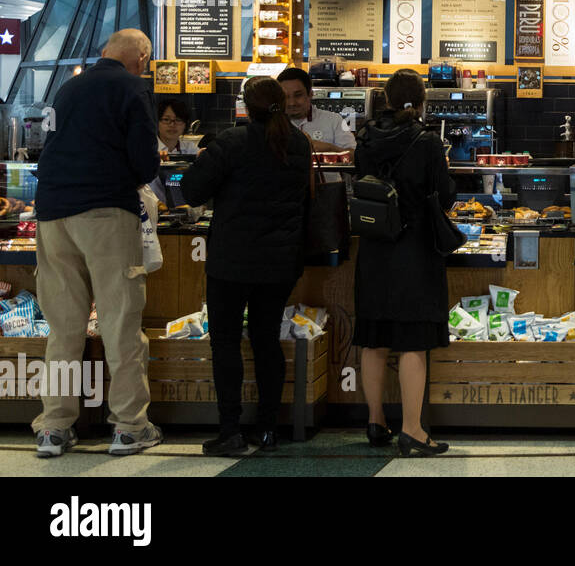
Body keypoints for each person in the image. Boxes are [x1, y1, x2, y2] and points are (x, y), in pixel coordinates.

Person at [31, 28, 162, 457]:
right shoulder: (133, 87)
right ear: (141, 59)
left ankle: (54, 427)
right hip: (105, 212)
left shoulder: (70, 86)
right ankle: (129, 426)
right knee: (119, 321)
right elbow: (144, 160)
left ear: (104, 52)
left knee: (64, 327)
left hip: (51, 211)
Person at [181, 77, 311, 456]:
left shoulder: (232, 142)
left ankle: (230, 431)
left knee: (225, 342)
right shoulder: (299, 143)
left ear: (245, 106)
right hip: (280, 261)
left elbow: (191, 190)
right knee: (266, 339)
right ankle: (268, 429)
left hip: (231, 261)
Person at [352, 68, 455, 457]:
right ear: (422, 100)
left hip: (375, 247)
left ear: (386, 100)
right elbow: (443, 195)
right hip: (415, 248)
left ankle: (375, 421)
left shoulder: (365, 137)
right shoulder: (427, 142)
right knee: (413, 341)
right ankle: (412, 429)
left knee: (374, 337)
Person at [277, 68, 356, 176]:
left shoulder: (335, 120)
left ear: (310, 94)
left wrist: (330, 149)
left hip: (328, 189)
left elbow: (355, 157)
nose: (291, 103)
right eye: (285, 97)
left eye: (298, 95)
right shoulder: (273, 125)